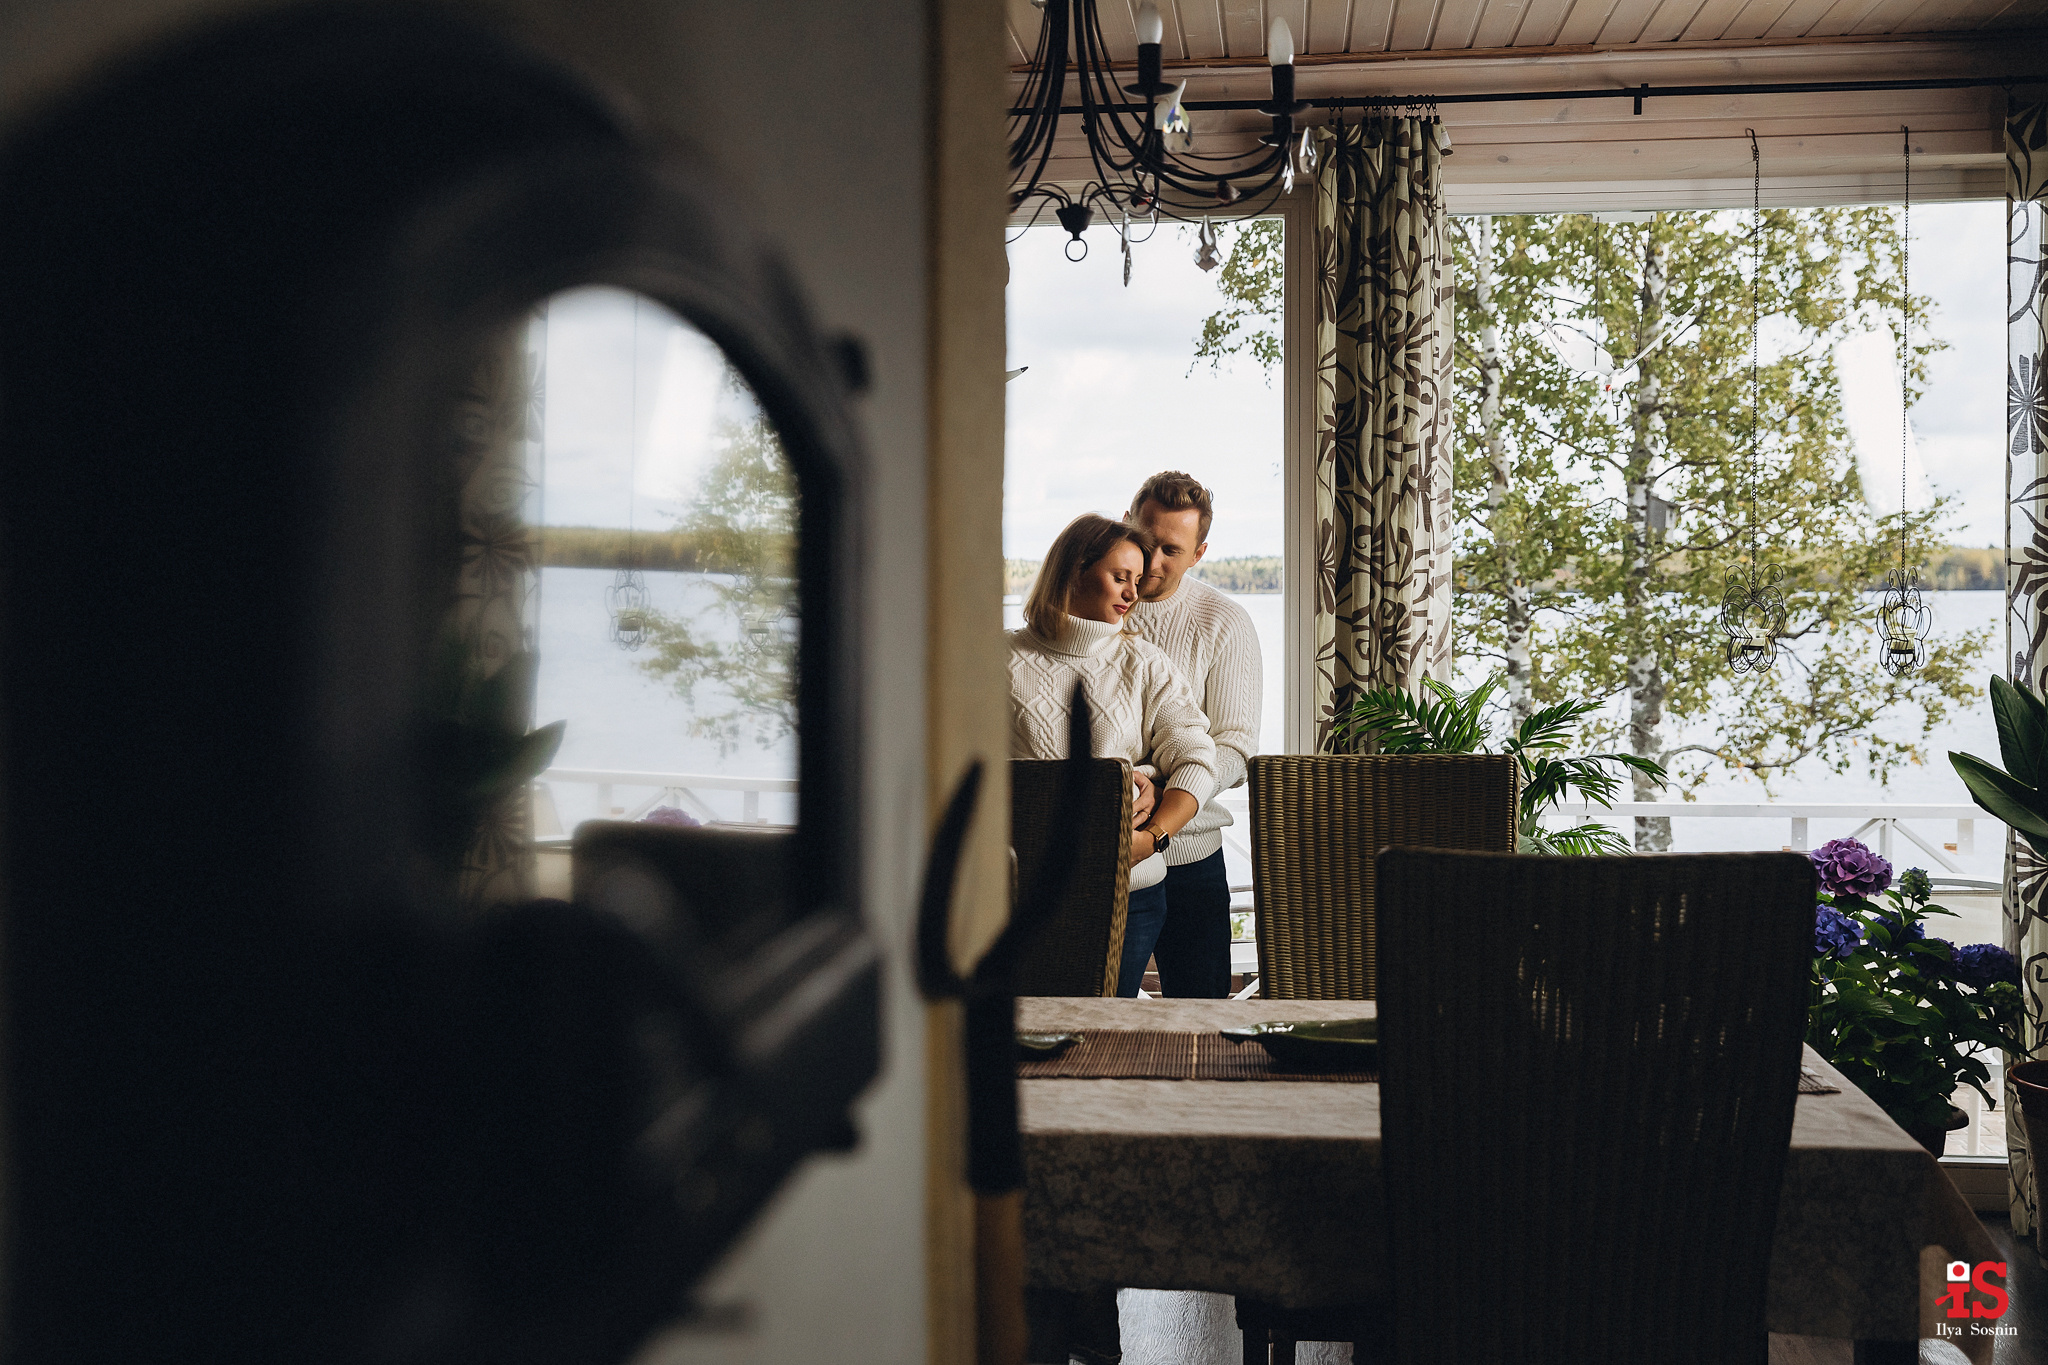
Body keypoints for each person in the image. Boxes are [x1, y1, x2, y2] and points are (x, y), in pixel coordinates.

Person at [1008, 513, 1217, 997]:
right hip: (1021, 893)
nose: (1132, 593)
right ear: (1073, 571)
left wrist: (1154, 838)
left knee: (1105, 1034)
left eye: (1137, 581)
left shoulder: (1145, 663)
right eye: (1119, 577)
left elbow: (1197, 758)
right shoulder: (1001, 660)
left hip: (1131, 891)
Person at [1123, 471, 1262, 999]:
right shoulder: (1090, 611)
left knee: (1201, 1018)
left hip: (1192, 855)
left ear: (1199, 553)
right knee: (1092, 1017)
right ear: (1124, 523)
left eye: (1172, 550)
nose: (1152, 564)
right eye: (1143, 540)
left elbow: (1236, 746)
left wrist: (1163, 787)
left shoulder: (1225, 622)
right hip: (1102, 857)